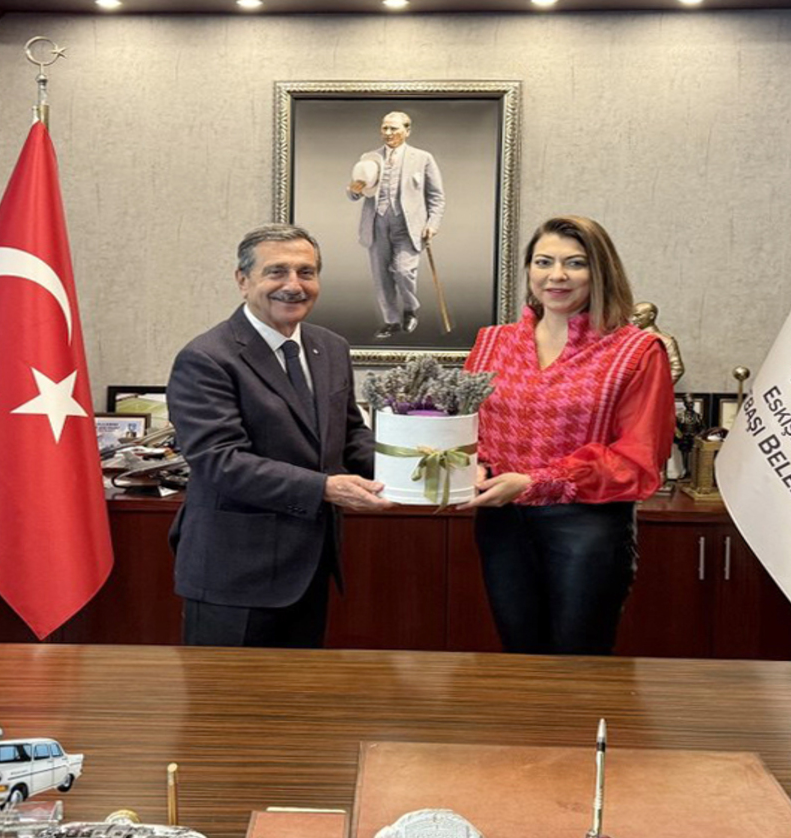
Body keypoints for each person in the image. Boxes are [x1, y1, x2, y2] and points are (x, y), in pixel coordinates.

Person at [168, 224, 391, 648]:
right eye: (276, 272)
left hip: (310, 566)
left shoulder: (331, 347)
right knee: (227, 691)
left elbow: (349, 435)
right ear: (243, 280)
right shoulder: (207, 358)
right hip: (234, 573)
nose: (293, 285)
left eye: (306, 272)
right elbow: (220, 461)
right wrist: (324, 488)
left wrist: (416, 471)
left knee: (299, 689)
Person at [460, 215, 674, 655]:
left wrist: (537, 482)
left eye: (575, 263)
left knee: (579, 661)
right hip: (501, 523)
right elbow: (467, 427)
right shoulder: (492, 343)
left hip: (586, 527)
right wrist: (470, 464)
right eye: (544, 262)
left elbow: (638, 459)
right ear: (528, 270)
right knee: (520, 657)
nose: (556, 276)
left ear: (600, 272)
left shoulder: (636, 351)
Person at [347, 112, 444, 339]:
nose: (388, 133)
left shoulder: (423, 158)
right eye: (385, 128)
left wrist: (432, 223)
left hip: (408, 226)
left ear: (407, 131)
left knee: (403, 271)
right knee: (381, 276)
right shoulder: (369, 157)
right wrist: (353, 190)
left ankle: (410, 308)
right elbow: (355, 193)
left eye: (394, 128)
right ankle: (391, 320)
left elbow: (436, 196)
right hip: (376, 224)